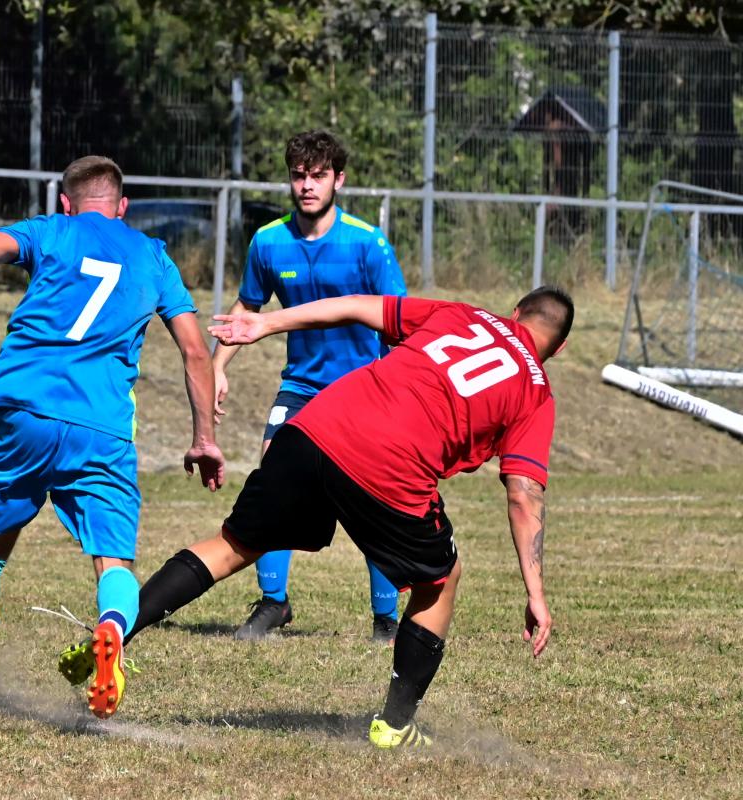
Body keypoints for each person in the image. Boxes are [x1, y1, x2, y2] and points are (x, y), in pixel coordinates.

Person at [74, 287, 573, 747]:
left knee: (233, 545)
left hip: (315, 425)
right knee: (440, 580)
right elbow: (523, 495)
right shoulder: (535, 391)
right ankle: (395, 725)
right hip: (392, 464)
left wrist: (266, 324)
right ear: (560, 347)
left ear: (515, 312)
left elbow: (356, 305)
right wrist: (535, 592)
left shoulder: (463, 315)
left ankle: (118, 629)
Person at [0, 155, 224, 721]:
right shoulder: (154, 256)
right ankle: (111, 629)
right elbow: (195, 351)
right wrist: (204, 438)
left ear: (65, 203)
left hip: (30, 412)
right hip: (104, 427)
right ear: (123, 207)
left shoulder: (51, 231)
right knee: (114, 562)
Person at [213, 130, 407, 642]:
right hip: (300, 387)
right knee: (273, 478)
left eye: (318, 175)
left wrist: (398, 392)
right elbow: (248, 306)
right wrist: (217, 367)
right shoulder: (268, 241)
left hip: (364, 389)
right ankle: (274, 603)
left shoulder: (367, 243)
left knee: (374, 496)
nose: (307, 185)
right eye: (299, 175)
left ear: (338, 180)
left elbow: (400, 320)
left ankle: (386, 619)